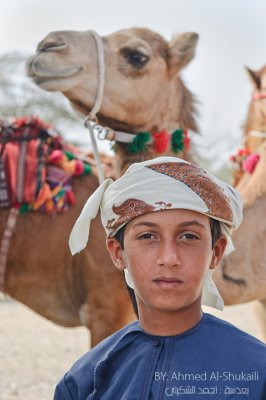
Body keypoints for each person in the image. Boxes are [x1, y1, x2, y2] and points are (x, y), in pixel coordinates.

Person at [54, 157, 266, 400]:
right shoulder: (84, 381)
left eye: (188, 236)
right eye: (147, 236)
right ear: (117, 252)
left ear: (216, 252)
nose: (169, 258)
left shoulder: (257, 373)